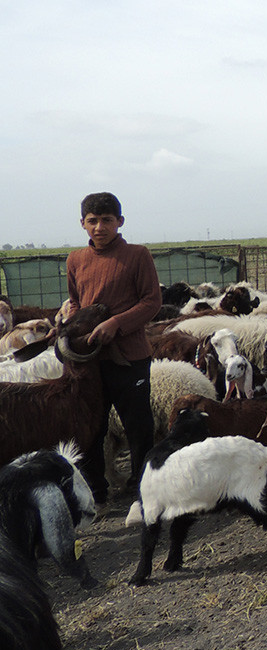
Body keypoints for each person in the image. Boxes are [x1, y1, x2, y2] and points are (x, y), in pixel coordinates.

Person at [66, 192, 163, 502]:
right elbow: (78, 302)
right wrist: (74, 318)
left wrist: (116, 324)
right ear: (82, 224)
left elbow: (152, 301)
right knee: (91, 427)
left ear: (119, 222)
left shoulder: (137, 255)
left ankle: (143, 489)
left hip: (130, 356)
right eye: (92, 221)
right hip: (90, 360)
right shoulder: (76, 260)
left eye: (106, 220)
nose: (99, 227)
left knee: (138, 425)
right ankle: (96, 491)